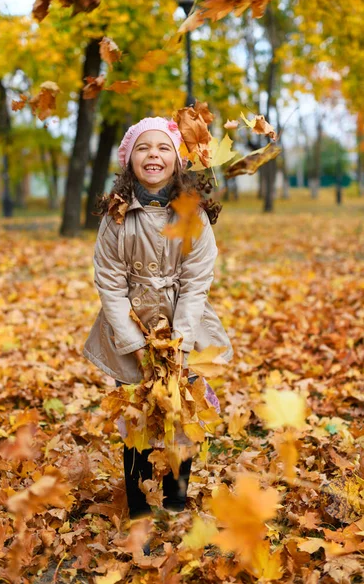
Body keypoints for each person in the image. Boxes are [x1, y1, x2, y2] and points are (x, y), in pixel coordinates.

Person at [83, 116, 233, 520]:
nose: (154, 154)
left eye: (164, 147)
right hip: (129, 324)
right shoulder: (116, 218)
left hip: (183, 320)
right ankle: (138, 504)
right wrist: (134, 343)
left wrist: (180, 341)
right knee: (136, 413)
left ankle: (176, 498)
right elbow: (110, 284)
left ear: (177, 161)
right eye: (144, 148)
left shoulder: (193, 217)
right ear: (130, 160)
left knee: (180, 409)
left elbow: (197, 282)